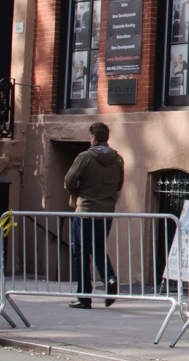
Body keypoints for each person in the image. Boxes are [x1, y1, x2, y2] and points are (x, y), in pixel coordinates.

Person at [64, 122, 124, 309]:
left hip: (86, 211)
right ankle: (110, 278)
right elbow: (119, 184)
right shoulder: (118, 159)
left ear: (92, 137)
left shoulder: (85, 157)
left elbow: (69, 181)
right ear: (106, 137)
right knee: (98, 249)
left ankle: (84, 297)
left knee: (80, 253)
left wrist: (80, 190)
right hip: (106, 212)